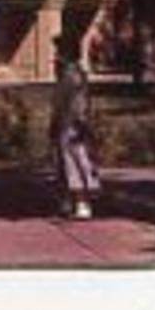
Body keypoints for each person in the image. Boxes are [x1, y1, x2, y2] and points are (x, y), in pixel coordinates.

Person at [50, 34, 100, 219]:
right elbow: (59, 102)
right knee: (65, 163)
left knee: (76, 162)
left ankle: (82, 203)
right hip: (64, 123)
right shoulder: (65, 74)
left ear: (67, 53)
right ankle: (70, 201)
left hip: (73, 125)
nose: (55, 55)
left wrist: (79, 122)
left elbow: (79, 103)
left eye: (58, 51)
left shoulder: (74, 75)